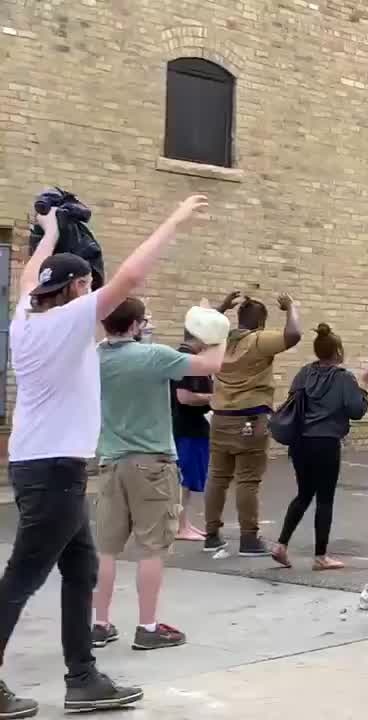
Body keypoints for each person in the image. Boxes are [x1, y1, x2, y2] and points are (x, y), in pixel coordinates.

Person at [0, 194, 207, 717]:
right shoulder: (65, 323)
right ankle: (77, 677)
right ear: (73, 290)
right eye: (87, 284)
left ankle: (83, 679)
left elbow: (28, 273)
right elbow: (131, 278)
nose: (93, 288)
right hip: (53, 472)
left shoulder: (27, 314)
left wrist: (48, 229)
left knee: (83, 568)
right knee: (22, 578)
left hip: (43, 466)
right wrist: (174, 220)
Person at [92, 297, 226, 653]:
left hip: (109, 462)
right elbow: (212, 362)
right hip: (151, 463)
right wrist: (213, 323)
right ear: (135, 325)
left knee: (107, 549)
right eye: (144, 318)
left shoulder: (95, 358)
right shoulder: (154, 357)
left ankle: (100, 624)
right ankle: (147, 626)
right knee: (151, 548)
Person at [271, 324, 368, 571]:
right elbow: (356, 411)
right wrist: (364, 384)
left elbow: (293, 401)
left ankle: (281, 545)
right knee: (325, 499)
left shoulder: (303, 374)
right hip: (326, 443)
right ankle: (321, 556)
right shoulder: (344, 378)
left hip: (300, 441)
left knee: (304, 493)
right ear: (338, 351)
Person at [204, 291, 302, 556]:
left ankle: (211, 534)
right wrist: (291, 307)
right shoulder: (258, 340)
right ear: (261, 322)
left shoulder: (221, 339)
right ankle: (248, 538)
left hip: (220, 417)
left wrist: (220, 307)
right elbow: (293, 335)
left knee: (217, 476)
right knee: (248, 479)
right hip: (250, 418)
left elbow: (201, 328)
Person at [171, 328, 215, 541]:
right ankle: (180, 527)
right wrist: (212, 398)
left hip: (193, 428)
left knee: (187, 480)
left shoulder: (189, 359)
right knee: (183, 479)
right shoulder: (185, 361)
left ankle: (184, 523)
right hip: (187, 428)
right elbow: (184, 397)